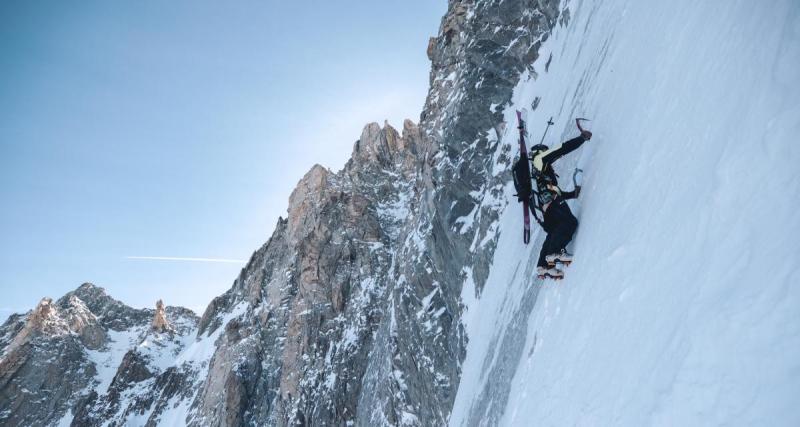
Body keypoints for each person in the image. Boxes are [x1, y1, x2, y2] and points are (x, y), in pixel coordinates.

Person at [529, 129, 592, 279]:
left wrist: (572, 194)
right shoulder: (539, 161)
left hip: (544, 210)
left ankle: (543, 266)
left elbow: (555, 190)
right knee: (569, 223)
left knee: (553, 232)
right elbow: (560, 149)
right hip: (551, 203)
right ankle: (553, 254)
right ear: (541, 152)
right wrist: (581, 139)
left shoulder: (537, 175)